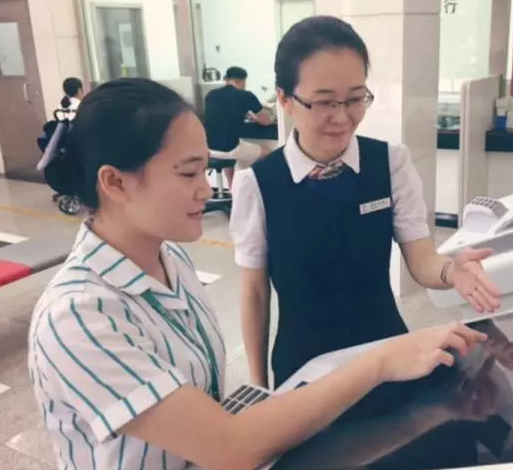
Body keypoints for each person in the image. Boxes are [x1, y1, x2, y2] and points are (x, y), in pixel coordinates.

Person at [28, 77, 488, 470]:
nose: (206, 189)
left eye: (354, 98)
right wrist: (381, 362)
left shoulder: (170, 261)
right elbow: (230, 446)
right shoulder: (79, 316)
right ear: (114, 182)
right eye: (188, 173)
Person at [229, 15, 502, 389]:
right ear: (284, 99)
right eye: (324, 102)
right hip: (305, 372)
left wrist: (451, 271)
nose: (343, 117)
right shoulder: (258, 184)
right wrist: (259, 387)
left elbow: (422, 260)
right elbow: (255, 292)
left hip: (390, 356)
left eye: (356, 98)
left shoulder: (390, 163)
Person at [204, 66, 272, 188]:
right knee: (268, 154)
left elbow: (222, 116)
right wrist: (255, 117)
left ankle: (232, 188)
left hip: (210, 149)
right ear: (242, 81)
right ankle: (259, 189)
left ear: (226, 79)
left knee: (232, 153)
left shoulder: (211, 94)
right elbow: (266, 121)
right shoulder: (245, 95)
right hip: (230, 149)